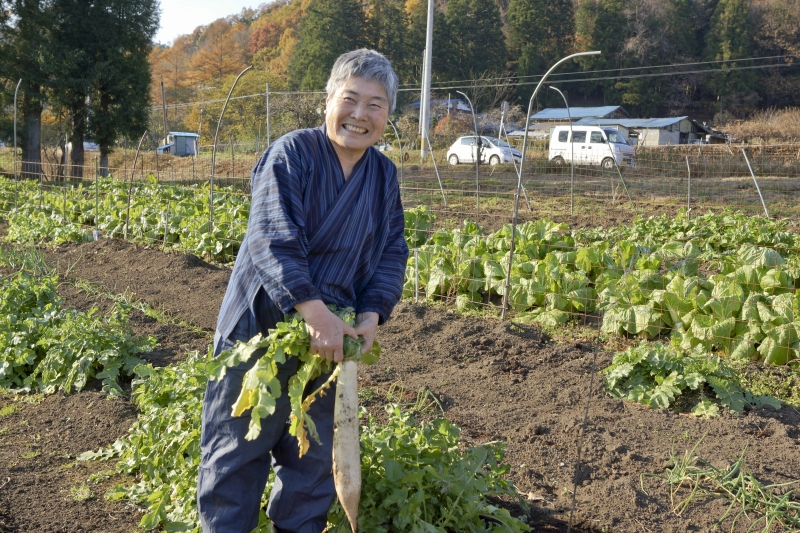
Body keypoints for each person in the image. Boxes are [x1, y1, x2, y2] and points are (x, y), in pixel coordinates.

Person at [197, 49, 408, 533]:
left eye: (375, 105)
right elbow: (272, 238)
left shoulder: (382, 176)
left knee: (310, 465)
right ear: (328, 100)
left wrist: (372, 314)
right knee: (235, 456)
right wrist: (315, 313)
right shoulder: (291, 154)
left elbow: (392, 250)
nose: (360, 115)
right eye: (350, 98)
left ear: (387, 117)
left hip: (330, 346)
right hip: (262, 330)